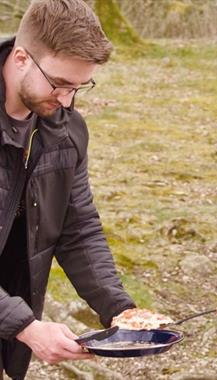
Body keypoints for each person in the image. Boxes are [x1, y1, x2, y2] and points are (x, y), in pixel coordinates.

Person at [0, 1, 136, 378]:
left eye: (79, 87)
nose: (67, 101)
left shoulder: (65, 130)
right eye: (60, 83)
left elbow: (77, 228)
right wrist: (25, 326)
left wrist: (120, 309)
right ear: (22, 58)